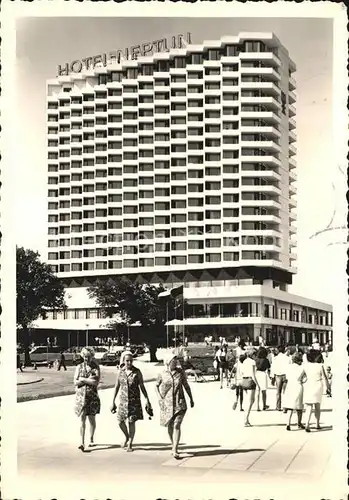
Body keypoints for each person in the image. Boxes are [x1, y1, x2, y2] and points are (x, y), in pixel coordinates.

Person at [155, 353, 194, 459]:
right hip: (167, 404)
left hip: (179, 403)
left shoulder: (180, 373)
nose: (175, 362)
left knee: (177, 425)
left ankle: (175, 449)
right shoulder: (162, 374)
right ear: (168, 362)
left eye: (176, 361)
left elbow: (186, 385)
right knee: (170, 425)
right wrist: (159, 397)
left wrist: (191, 398)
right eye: (173, 361)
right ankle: (174, 444)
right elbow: (156, 386)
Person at [110, 352, 151, 452]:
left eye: (131, 360)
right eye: (127, 360)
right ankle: (127, 436)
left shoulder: (137, 372)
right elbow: (117, 386)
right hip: (123, 401)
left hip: (134, 401)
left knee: (131, 422)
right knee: (120, 421)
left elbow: (142, 386)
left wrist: (147, 399)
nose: (129, 362)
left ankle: (130, 443)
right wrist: (113, 401)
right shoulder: (121, 372)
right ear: (123, 361)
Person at [74, 347, 101, 452]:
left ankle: (91, 437)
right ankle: (82, 442)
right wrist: (88, 380)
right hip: (81, 397)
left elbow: (95, 382)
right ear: (82, 356)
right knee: (82, 419)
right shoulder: (79, 367)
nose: (87, 359)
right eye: (85, 357)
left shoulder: (95, 367)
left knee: (92, 419)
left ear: (92, 356)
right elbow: (75, 382)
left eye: (89, 357)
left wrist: (82, 379)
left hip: (92, 397)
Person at [300, 349, 330, 432]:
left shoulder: (306, 366)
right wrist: (328, 387)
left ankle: (307, 424)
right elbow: (324, 378)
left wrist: (303, 381)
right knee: (317, 406)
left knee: (309, 406)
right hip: (318, 386)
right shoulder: (320, 366)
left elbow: (300, 377)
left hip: (308, 385)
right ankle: (317, 424)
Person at [283, 352, 305, 430]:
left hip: (290, 385)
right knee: (299, 406)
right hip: (298, 385)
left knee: (290, 406)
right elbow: (305, 379)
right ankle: (299, 423)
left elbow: (286, 377)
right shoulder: (302, 368)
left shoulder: (288, 367)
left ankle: (288, 423)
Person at [240, 350, 259, 427]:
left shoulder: (244, 361)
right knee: (251, 401)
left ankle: (246, 418)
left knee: (248, 400)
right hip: (250, 380)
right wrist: (258, 384)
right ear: (253, 355)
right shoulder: (252, 362)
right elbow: (253, 374)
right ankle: (246, 419)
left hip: (244, 380)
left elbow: (242, 372)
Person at [270, 345, 290, 411]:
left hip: (278, 376)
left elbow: (273, 368)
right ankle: (285, 407)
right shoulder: (287, 358)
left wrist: (272, 378)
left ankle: (278, 407)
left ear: (278, 350)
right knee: (286, 392)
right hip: (286, 375)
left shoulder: (275, 358)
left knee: (278, 392)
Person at [255, 347, 271, 411]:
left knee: (257, 391)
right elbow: (269, 368)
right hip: (263, 374)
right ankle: (264, 405)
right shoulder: (265, 360)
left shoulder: (256, 359)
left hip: (256, 374)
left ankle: (257, 406)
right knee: (263, 391)